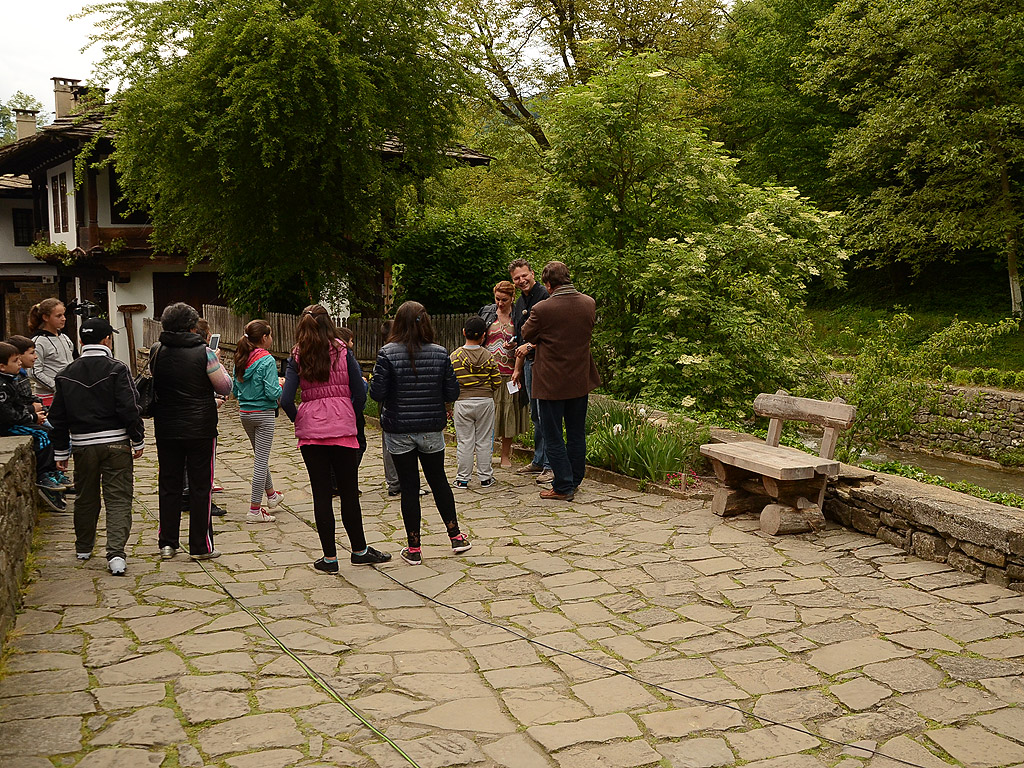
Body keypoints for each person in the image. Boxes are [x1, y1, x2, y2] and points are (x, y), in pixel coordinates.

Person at [282, 305, 391, 571]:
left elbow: (285, 399)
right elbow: (360, 392)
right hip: (342, 429)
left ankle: (330, 558)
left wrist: (301, 417)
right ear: (329, 324)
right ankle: (359, 549)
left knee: (321, 494)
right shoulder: (343, 351)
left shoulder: (298, 354)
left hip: (311, 432)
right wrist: (348, 413)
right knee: (348, 492)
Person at [369, 301, 471, 565]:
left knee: (410, 488)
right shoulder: (440, 353)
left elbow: (377, 393)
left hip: (399, 427)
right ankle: (455, 535)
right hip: (430, 427)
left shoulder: (387, 353)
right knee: (439, 481)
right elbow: (452, 392)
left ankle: (414, 547)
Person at [49, 318, 144, 575]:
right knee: (118, 498)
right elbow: (129, 408)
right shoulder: (117, 369)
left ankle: (83, 547)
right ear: (107, 340)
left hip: (82, 445)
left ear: (80, 341)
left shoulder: (65, 374)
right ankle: (116, 555)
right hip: (116, 443)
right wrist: (137, 439)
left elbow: (57, 417)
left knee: (85, 497)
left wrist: (60, 451)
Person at [152, 302, 232, 560]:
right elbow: (224, 386)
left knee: (169, 484)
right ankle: (201, 545)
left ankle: (167, 543)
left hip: (166, 426)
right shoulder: (204, 353)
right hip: (200, 428)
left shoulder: (157, 350)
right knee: (201, 487)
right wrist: (218, 363)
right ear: (192, 325)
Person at [522, 261, 602, 501]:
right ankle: (575, 479)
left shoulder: (542, 309)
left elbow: (527, 333)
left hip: (550, 383)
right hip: (579, 379)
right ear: (568, 278)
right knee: (577, 433)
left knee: (553, 434)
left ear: (547, 284)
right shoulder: (589, 303)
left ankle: (563, 486)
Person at [0, 341, 65, 511]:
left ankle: (55, 471)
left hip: (21, 418)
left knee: (51, 431)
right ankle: (44, 474)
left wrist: (36, 411)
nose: (19, 363)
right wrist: (31, 416)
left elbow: (21, 402)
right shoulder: (3, 386)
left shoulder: (11, 380)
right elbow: (7, 414)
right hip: (7, 427)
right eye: (15, 361)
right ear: (2, 366)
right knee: (43, 435)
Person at [233, 319, 285, 523]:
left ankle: (271, 495)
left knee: (260, 456)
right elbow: (272, 393)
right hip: (263, 414)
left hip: (245, 413)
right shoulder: (267, 360)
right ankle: (255, 509)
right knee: (261, 462)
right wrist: (283, 384)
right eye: (270, 335)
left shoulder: (241, 357)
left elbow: (235, 390)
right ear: (264, 338)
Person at [508, 259, 552, 483]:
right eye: (517, 278)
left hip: (543, 362)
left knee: (545, 413)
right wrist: (513, 346)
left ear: (532, 273)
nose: (521, 280)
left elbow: (549, 333)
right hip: (526, 364)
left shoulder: (544, 296)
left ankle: (549, 464)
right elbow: (520, 335)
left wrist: (530, 346)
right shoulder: (519, 302)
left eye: (524, 276)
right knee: (535, 413)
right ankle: (538, 460)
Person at [376, 320, 429, 499]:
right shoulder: (394, 353)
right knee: (405, 447)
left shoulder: (384, 353)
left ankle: (394, 482)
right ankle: (402, 483)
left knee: (389, 445)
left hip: (389, 407)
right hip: (399, 407)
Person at [451, 316, 501, 489]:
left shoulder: (455, 356)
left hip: (463, 402)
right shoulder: (488, 356)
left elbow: (450, 382)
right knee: (484, 440)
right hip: (485, 401)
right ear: (484, 336)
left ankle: (462, 478)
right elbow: (497, 381)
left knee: (465, 441)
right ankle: (486, 477)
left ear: (464, 332)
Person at [485, 280, 528, 468]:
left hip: (510, 373)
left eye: (504, 299)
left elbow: (523, 341)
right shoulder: (487, 314)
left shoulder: (518, 317)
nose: (500, 303)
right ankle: (486, 453)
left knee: (508, 414)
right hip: (489, 374)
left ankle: (505, 455)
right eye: (497, 299)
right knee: (488, 415)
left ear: (512, 298)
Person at [28, 298, 77, 407]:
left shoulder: (65, 338)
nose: (63, 319)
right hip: (48, 397)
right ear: (45, 317)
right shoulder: (38, 341)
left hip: (68, 394)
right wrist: (56, 387)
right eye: (58, 316)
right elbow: (34, 372)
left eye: (64, 315)